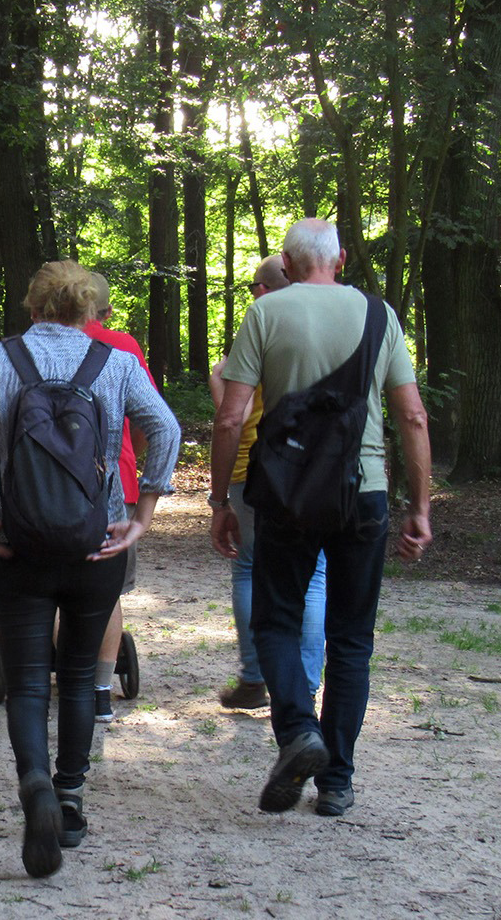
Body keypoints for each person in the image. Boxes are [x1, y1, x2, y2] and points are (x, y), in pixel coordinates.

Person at [0, 262, 180, 878]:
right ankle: (71, 798)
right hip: (96, 542)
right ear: (89, 309)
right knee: (77, 677)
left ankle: (35, 787)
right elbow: (166, 427)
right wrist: (143, 511)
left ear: (33, 303)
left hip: (16, 543)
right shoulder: (117, 363)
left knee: (26, 683)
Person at [210, 218, 432, 819]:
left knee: (276, 623)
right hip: (363, 493)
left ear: (287, 260)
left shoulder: (265, 313)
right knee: (351, 640)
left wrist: (220, 501)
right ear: (339, 258)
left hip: (286, 492)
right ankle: (337, 781)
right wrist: (421, 505)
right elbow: (412, 418)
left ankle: (298, 733)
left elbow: (231, 419)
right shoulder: (381, 316)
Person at [207, 256, 327, 711]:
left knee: (248, 566)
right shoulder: (319, 324)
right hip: (314, 469)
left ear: (261, 290)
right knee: (314, 573)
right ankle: (307, 686)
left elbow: (229, 413)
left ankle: (255, 678)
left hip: (252, 466)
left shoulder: (258, 325)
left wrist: (217, 499)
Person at [79, 268, 156, 724]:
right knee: (108, 592)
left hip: (48, 491)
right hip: (117, 484)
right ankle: (101, 691)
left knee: (54, 580)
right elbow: (152, 421)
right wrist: (132, 457)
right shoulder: (123, 346)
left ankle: (65, 674)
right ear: (106, 311)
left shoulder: (32, 344)